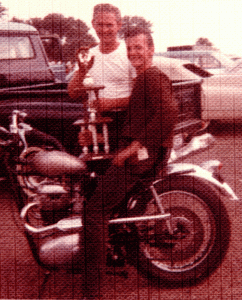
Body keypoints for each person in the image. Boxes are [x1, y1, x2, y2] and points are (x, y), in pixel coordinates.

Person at [78, 26, 179, 299]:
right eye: (130, 48)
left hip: (140, 159)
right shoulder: (143, 78)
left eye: (139, 47)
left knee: (94, 210)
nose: (134, 52)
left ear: (150, 50)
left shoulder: (152, 77)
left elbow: (169, 113)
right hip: (138, 154)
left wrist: (133, 147)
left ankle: (92, 289)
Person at [68, 3, 136, 115]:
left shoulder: (130, 52)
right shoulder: (88, 54)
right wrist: (82, 71)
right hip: (95, 120)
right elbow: (73, 94)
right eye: (100, 24)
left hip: (126, 120)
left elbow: (143, 96)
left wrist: (112, 103)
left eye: (109, 25)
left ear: (119, 25)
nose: (104, 30)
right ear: (93, 24)